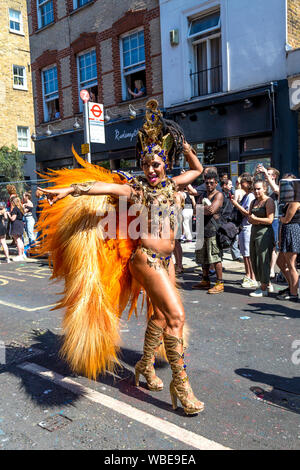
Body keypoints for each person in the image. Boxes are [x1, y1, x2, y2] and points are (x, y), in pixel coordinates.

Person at [36, 99, 205, 416]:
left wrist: (184, 145)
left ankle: (144, 366)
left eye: (156, 164)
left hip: (166, 262)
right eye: (146, 164)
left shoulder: (172, 184)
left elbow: (197, 170)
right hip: (147, 259)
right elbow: (98, 187)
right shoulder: (135, 189)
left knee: (158, 316)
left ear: (165, 163)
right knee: (176, 318)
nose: (151, 170)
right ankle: (181, 386)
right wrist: (70, 191)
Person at [192, 171, 224, 294]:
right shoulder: (203, 195)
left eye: (211, 183)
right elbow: (195, 210)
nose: (209, 185)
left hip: (213, 230)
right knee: (203, 257)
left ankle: (220, 283)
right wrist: (202, 209)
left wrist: (201, 209)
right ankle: (205, 280)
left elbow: (211, 210)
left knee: (215, 258)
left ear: (216, 183)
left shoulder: (218, 195)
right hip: (202, 230)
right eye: (206, 183)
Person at [248, 180, 275, 297]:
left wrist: (256, 219)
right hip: (254, 231)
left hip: (264, 233)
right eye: (255, 189)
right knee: (254, 258)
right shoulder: (253, 201)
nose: (256, 191)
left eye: (259, 189)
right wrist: (252, 219)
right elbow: (249, 217)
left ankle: (263, 288)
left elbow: (270, 220)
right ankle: (266, 283)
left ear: (265, 189)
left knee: (263, 260)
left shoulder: (269, 201)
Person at [230, 173, 256, 288]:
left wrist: (236, 204)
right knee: (245, 254)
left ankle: (251, 277)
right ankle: (248, 275)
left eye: (243, 182)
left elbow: (247, 213)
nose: (240, 184)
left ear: (248, 184)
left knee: (247, 254)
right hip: (243, 227)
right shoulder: (247, 195)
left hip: (247, 227)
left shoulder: (250, 196)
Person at [276, 174, 300, 302]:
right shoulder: (287, 199)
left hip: (292, 230)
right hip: (286, 231)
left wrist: (280, 218)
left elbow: (286, 219)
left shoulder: (295, 200)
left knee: (291, 265)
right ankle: (291, 286)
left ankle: (294, 292)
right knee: (280, 262)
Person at [256, 164, 280, 278]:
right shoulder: (264, 186)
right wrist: (256, 174)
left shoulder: (276, 186)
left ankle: (271, 269)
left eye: (269, 174)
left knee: (274, 245)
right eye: (266, 174)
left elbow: (276, 189)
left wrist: (265, 172)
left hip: (274, 219)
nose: (266, 176)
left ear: (274, 176)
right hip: (262, 218)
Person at [6, 196, 25, 261]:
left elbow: (13, 218)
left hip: (16, 224)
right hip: (20, 223)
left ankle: (20, 255)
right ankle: (22, 254)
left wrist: (8, 214)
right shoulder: (21, 208)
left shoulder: (15, 209)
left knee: (17, 240)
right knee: (20, 239)